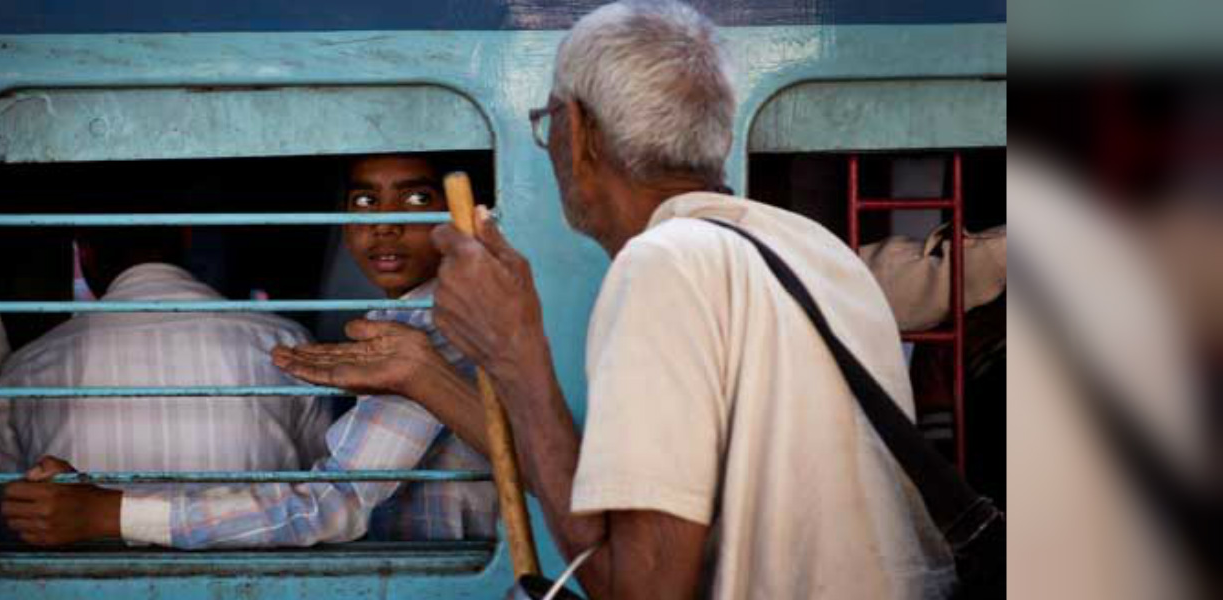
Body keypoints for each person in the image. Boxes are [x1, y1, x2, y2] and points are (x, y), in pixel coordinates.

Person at [275, 1, 956, 597]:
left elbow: (639, 588)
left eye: (547, 125)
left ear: (580, 131)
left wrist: (518, 356)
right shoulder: (810, 248)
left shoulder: (663, 266)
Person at [30, 154, 497, 549]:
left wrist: (111, 514)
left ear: (466, 214)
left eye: (416, 200)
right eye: (364, 201)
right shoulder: (423, 315)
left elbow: (335, 504)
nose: (383, 225)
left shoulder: (436, 324)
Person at [0, 227, 333, 547]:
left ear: (85, 254)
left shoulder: (26, 369)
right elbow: (323, 495)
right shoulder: (286, 345)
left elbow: (15, 522)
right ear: (186, 236)